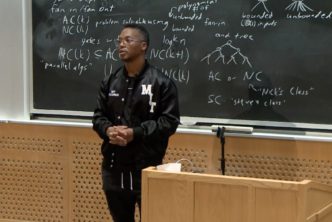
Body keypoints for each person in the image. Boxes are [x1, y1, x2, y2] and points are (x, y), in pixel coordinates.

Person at [92, 23, 180, 222]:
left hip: (145, 168)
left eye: (127, 40)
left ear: (143, 46)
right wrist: (108, 130)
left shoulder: (162, 83)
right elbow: (98, 116)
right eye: (119, 41)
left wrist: (135, 133)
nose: (121, 44)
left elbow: (169, 122)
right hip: (114, 168)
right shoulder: (110, 81)